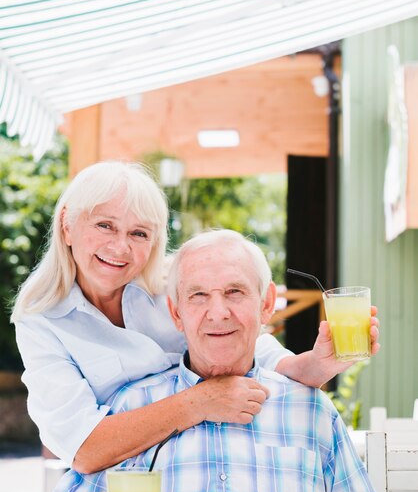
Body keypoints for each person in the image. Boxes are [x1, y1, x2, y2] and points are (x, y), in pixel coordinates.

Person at [12, 161, 380, 474]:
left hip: (207, 455)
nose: (120, 246)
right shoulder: (41, 319)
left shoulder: (173, 284)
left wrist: (313, 366)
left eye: (139, 233)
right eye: (104, 225)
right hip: (124, 475)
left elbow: (246, 340)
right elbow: (84, 450)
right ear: (67, 226)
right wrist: (200, 401)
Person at [49, 230, 391, 492]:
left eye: (234, 292)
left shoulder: (311, 410)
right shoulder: (133, 406)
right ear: (176, 313)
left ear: (266, 303)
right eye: (198, 296)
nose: (218, 313)